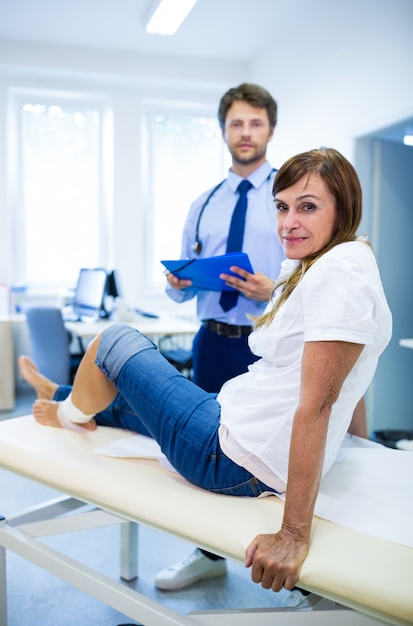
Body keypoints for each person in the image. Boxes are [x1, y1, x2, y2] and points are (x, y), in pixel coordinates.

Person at [19, 148, 392, 598]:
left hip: (231, 456)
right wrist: (358, 445)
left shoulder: (339, 275)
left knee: (113, 341)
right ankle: (61, 396)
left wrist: (294, 533)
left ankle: (66, 413)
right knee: (134, 402)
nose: (288, 221)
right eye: (281, 206)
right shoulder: (330, 262)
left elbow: (321, 402)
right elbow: (352, 381)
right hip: (238, 424)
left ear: (344, 209)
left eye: (308, 207)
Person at [163, 82, 285, 589]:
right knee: (205, 450)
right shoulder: (204, 202)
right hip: (211, 341)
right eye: (236, 123)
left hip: (268, 346)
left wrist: (271, 289)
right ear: (223, 131)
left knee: (274, 457)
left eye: (255, 123)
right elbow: (181, 292)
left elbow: (312, 277)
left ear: (271, 130)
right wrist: (178, 281)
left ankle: (294, 569)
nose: (246, 132)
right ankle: (207, 552)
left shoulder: (290, 197)